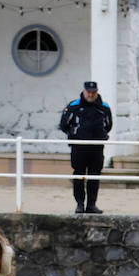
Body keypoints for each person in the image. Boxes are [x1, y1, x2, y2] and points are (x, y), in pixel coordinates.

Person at [59, 80, 113, 214]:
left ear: (97, 92)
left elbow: (108, 125)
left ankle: (91, 205)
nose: (90, 94)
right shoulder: (73, 106)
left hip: (96, 147)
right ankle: (79, 204)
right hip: (79, 147)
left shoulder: (104, 107)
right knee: (78, 176)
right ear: (84, 91)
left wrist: (101, 135)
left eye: (93, 92)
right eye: (88, 92)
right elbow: (64, 124)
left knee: (94, 176)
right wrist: (74, 135)